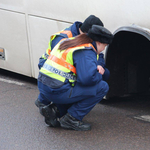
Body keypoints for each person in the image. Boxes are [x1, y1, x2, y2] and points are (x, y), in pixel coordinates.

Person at [37, 25, 114, 131]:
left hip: (44, 86)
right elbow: (87, 79)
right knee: (102, 87)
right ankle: (71, 119)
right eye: (104, 46)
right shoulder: (86, 51)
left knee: (76, 86)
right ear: (99, 42)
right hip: (56, 89)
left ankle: (55, 110)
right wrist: (100, 74)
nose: (103, 49)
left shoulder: (72, 41)